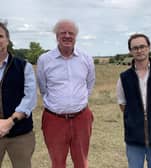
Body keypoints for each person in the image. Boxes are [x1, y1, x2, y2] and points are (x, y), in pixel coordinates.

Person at [37, 19, 95, 168]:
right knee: (57, 162)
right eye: (63, 32)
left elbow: (89, 84)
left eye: (71, 33)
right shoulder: (44, 59)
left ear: (76, 36)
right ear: (56, 36)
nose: (67, 36)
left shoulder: (86, 58)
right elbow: (43, 88)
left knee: (81, 161)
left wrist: (77, 103)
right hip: (54, 119)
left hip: (81, 118)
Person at [116, 33, 151, 168]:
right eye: (135, 48)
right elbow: (122, 104)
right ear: (130, 51)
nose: (139, 50)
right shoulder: (124, 77)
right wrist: (136, 117)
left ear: (149, 48)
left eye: (142, 46)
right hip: (134, 136)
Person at [0, 22, 37, 168]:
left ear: (8, 40)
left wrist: (9, 122)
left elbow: (30, 97)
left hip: (20, 134)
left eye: (0, 36)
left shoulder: (23, 66)